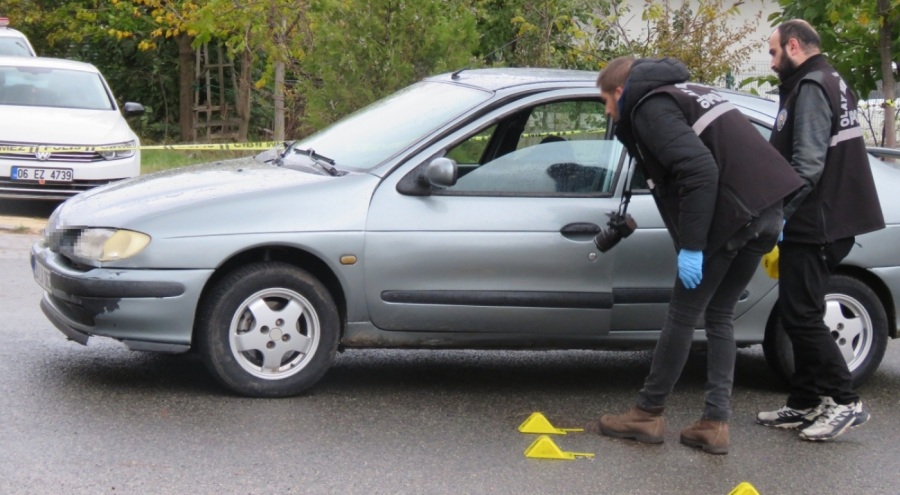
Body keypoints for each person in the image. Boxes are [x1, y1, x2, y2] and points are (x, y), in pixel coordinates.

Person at [595, 56, 803, 455]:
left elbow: (700, 171)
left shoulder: (651, 107)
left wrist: (692, 245)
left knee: (683, 315)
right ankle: (714, 423)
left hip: (732, 217)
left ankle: (647, 413)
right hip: (765, 212)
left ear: (620, 91)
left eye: (605, 100)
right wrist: (777, 215)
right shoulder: (688, 92)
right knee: (720, 313)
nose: (606, 111)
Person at [755, 20, 885, 441]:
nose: (771, 62)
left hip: (817, 222)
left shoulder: (811, 86)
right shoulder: (831, 79)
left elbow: (808, 164)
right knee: (800, 310)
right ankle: (805, 401)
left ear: (793, 46)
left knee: (802, 314)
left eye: (774, 52)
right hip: (828, 218)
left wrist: (781, 214)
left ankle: (845, 401)